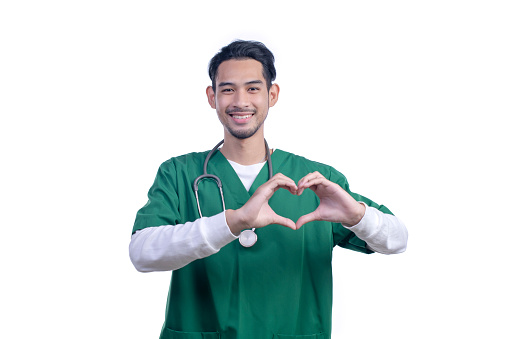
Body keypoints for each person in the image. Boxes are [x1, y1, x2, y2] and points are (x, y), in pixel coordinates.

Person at [130, 40, 408, 339]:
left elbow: (397, 240)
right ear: (212, 97)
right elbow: (141, 253)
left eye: (252, 88)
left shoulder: (315, 181)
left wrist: (356, 215)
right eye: (227, 89)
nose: (240, 101)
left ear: (271, 94)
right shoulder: (179, 174)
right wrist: (231, 223)